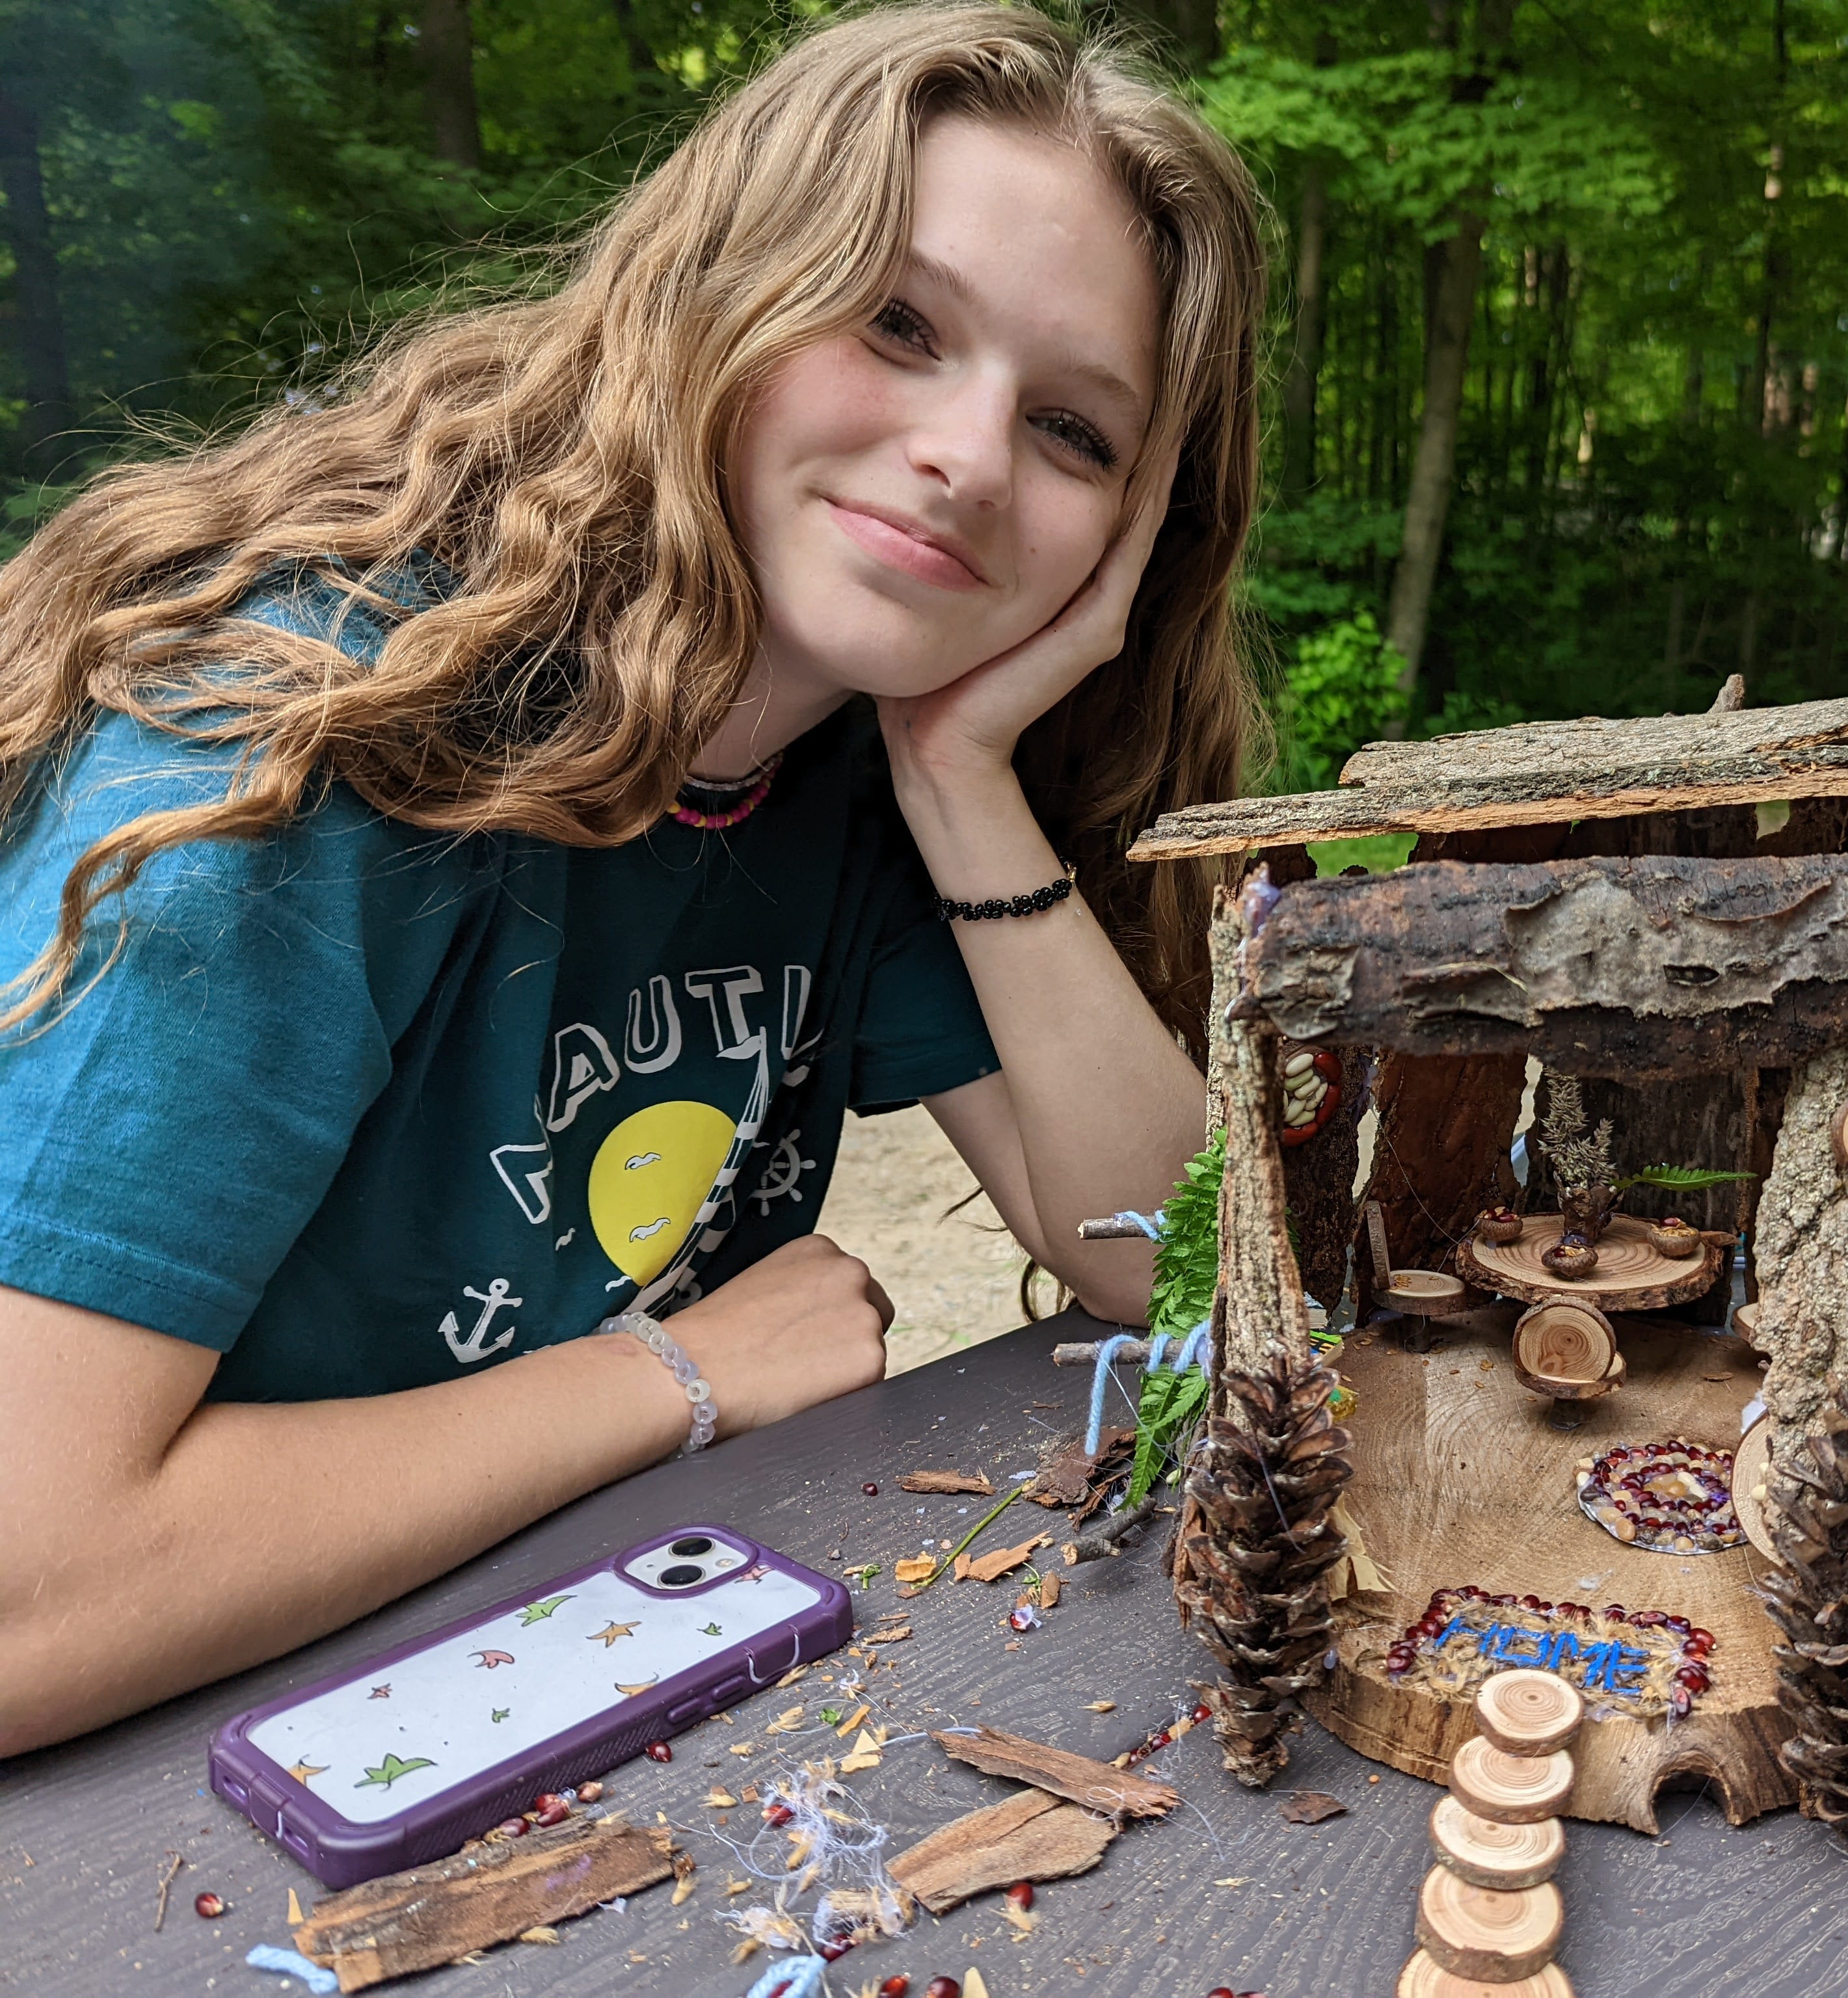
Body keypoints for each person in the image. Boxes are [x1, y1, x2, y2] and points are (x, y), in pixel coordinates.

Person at [0, 3, 1263, 1752]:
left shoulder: (845, 770)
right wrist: (672, 1379)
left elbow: (1182, 1273)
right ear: (724, 294)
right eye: (897, 321)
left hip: (501, 1678)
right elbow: (25, 1597)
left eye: (1074, 433)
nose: (971, 457)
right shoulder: (297, 756)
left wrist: (967, 779)